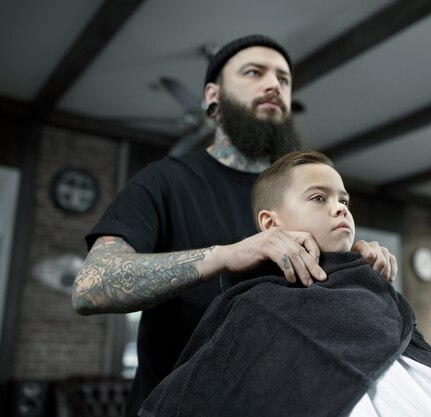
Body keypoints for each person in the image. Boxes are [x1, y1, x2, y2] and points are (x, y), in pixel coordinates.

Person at [72, 35, 397, 417]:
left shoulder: (302, 195)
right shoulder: (164, 181)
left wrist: (351, 262)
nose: (274, 85)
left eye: (284, 79)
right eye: (254, 72)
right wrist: (226, 256)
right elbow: (91, 285)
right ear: (213, 95)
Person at [138, 150, 431, 417]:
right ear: (270, 224)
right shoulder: (256, 303)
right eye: (318, 198)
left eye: (343, 200)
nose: (340, 207)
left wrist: (366, 281)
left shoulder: (368, 282)